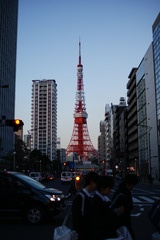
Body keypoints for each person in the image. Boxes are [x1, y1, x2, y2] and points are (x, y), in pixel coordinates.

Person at [89, 175, 124, 240]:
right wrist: (115, 213)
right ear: (102, 188)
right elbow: (103, 220)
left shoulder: (99, 199)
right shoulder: (97, 202)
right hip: (102, 235)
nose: (110, 190)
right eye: (109, 188)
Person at [71, 171, 99, 240]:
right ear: (92, 182)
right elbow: (77, 219)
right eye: (96, 183)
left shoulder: (86, 196)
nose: (96, 186)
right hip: (83, 234)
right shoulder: (81, 197)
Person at [111, 174, 138, 240]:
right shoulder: (122, 193)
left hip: (123, 221)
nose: (132, 187)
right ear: (128, 184)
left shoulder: (123, 191)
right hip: (122, 222)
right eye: (132, 185)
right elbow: (113, 207)